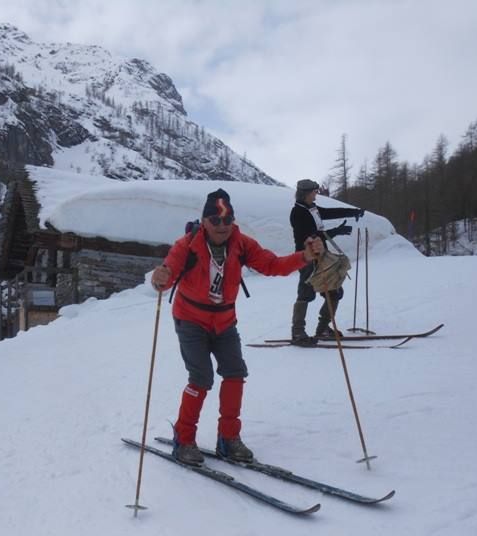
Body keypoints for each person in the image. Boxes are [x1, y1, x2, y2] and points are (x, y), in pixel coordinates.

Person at [151, 189, 325, 466]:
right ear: (204, 221)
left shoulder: (241, 244)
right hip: (191, 319)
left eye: (227, 219)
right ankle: (183, 440)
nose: (222, 226)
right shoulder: (187, 245)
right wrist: (160, 278)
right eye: (215, 220)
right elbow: (168, 273)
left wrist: (304, 256)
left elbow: (272, 265)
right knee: (201, 378)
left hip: (224, 320)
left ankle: (229, 438)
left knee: (234, 374)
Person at [289, 179, 364, 343]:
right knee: (306, 293)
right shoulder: (298, 213)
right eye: (314, 192)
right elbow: (310, 237)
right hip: (307, 256)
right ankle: (297, 331)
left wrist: (353, 212)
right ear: (306, 193)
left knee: (334, 290)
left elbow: (329, 213)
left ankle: (322, 328)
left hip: (322, 254)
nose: (316, 194)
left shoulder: (312, 208)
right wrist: (337, 231)